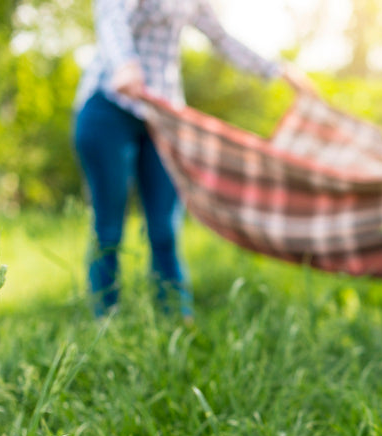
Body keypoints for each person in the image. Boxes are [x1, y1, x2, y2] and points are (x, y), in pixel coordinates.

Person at [73, 0, 314, 319]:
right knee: (109, 227)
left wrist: (278, 70)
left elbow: (222, 38)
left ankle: (175, 321)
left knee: (164, 228)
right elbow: (112, 16)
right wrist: (124, 64)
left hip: (164, 116)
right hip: (110, 104)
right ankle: (105, 320)